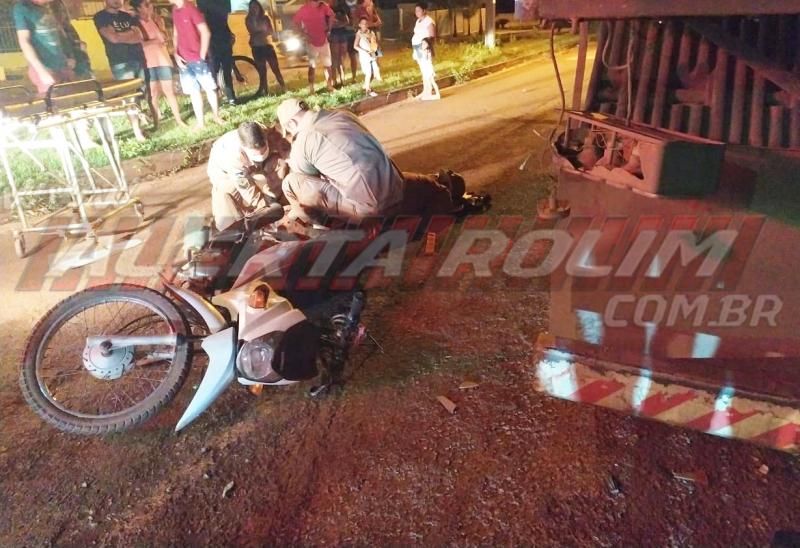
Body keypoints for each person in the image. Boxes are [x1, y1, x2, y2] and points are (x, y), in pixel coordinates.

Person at [275, 98, 466, 228]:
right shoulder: (343, 115)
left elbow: (305, 178)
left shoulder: (305, 139)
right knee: (422, 183)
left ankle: (318, 227)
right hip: (396, 192)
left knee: (291, 183)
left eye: (290, 132)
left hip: (367, 211)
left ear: (291, 124)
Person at [207, 121, 290, 230]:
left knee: (277, 166)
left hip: (251, 165)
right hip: (224, 174)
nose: (260, 155)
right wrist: (264, 208)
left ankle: (274, 200)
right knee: (228, 223)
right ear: (244, 148)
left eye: (263, 150)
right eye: (256, 153)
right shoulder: (232, 156)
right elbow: (245, 186)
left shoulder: (266, 133)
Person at [93, 0, 147, 141]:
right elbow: (113, 38)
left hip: (137, 58)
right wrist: (129, 35)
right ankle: (137, 132)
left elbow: (139, 37)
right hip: (120, 62)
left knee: (140, 94)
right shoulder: (101, 17)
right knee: (129, 97)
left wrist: (121, 36)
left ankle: (142, 124)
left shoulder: (127, 16)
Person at [13, 0, 92, 95]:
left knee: (71, 100)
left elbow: (61, 33)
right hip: (46, 67)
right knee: (52, 102)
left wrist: (70, 55)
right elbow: (24, 41)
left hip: (63, 65)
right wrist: (41, 71)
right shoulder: (22, 8)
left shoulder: (53, 5)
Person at [130, 0, 187, 128]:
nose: (151, 6)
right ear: (138, 9)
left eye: (150, 4)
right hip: (148, 63)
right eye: (146, 5)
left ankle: (178, 120)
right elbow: (138, 43)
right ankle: (156, 123)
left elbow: (164, 37)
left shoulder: (156, 20)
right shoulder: (135, 24)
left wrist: (162, 34)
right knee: (153, 94)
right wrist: (155, 41)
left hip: (162, 59)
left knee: (170, 92)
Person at [169, 0, 224, 128]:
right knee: (194, 91)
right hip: (183, 59)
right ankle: (201, 122)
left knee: (209, 88)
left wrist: (202, 54)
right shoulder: (175, 10)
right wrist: (176, 53)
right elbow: (175, 33)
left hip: (196, 57)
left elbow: (205, 32)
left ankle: (216, 116)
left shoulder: (191, 9)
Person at [198, 0, 236, 105]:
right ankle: (217, 98)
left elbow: (224, 22)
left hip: (223, 40)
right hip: (214, 42)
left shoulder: (221, 4)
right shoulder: (206, 5)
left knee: (225, 70)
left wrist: (229, 33)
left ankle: (230, 97)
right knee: (215, 71)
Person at [293, 0, 335, 94]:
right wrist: (303, 34)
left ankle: (329, 85)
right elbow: (295, 22)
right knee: (312, 66)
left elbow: (332, 15)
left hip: (323, 40)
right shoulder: (304, 9)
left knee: (328, 65)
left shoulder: (323, 6)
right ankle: (311, 88)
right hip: (311, 42)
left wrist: (329, 29)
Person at [245, 0, 286, 96]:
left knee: (275, 68)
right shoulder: (248, 19)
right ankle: (265, 91)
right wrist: (261, 31)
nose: (254, 8)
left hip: (266, 45)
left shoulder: (265, 18)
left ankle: (283, 86)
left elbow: (269, 31)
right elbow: (252, 31)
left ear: (259, 7)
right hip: (256, 47)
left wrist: (259, 32)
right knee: (262, 70)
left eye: (256, 6)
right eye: (252, 7)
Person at [328, 0, 356, 86]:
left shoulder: (341, 8)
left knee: (342, 58)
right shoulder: (327, 9)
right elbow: (329, 24)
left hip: (343, 35)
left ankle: (342, 78)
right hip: (334, 35)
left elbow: (347, 21)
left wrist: (338, 24)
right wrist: (335, 24)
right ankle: (334, 80)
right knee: (335, 58)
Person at [411, 1, 435, 97]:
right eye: (416, 11)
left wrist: (426, 44)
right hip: (417, 48)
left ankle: (429, 90)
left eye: (419, 10)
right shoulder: (418, 21)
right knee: (422, 69)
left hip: (424, 48)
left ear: (424, 11)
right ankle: (426, 89)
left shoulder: (429, 21)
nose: (417, 12)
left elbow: (432, 36)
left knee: (427, 69)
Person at [353, 17, 380, 97]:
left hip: (372, 55)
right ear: (360, 25)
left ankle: (366, 85)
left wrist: (376, 54)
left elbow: (375, 44)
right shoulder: (359, 34)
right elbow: (355, 46)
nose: (365, 25)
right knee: (368, 72)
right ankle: (368, 90)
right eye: (363, 23)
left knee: (374, 72)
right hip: (365, 57)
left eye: (366, 23)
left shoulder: (371, 33)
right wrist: (364, 51)